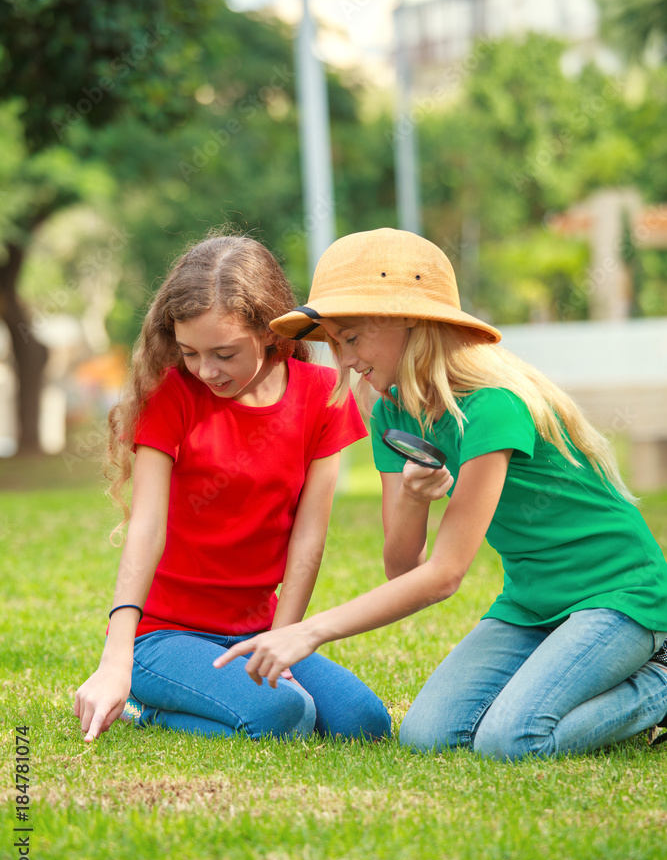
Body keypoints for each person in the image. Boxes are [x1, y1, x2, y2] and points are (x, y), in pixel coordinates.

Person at [215, 227, 667, 760]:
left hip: (618, 598)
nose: (344, 359)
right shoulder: (392, 412)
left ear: (411, 319)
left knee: (511, 741)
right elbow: (404, 568)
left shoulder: (494, 405)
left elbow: (446, 574)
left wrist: (308, 632)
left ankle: (657, 686)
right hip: (532, 604)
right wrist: (414, 497)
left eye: (353, 336)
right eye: (334, 342)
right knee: (427, 737)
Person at [74, 234, 391, 744]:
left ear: (271, 332)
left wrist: (283, 642)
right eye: (191, 353)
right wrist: (118, 656)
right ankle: (143, 704)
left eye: (224, 353)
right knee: (285, 714)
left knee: (364, 724)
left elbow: (309, 540)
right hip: (163, 635)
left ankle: (240, 690)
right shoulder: (173, 395)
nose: (206, 371)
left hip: (255, 629)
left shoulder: (322, 394)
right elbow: (147, 527)